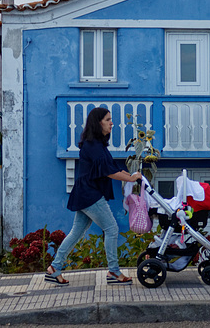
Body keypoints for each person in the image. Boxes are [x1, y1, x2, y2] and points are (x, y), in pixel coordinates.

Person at [45, 107, 142, 286]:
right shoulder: (93, 146)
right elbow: (109, 172)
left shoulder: (96, 144)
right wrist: (130, 178)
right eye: (108, 119)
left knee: (77, 231)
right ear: (98, 123)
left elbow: (112, 167)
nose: (112, 123)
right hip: (90, 194)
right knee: (112, 229)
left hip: (85, 193)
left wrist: (131, 175)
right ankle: (113, 271)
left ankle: (54, 268)